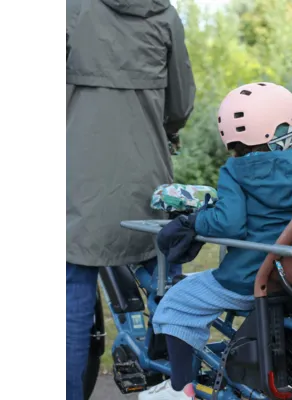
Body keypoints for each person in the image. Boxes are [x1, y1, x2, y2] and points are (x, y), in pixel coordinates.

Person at [139, 82, 292, 400]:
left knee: (176, 303)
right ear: (287, 129)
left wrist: (193, 222)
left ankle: (181, 389)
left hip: (244, 280)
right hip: (290, 282)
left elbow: (228, 223)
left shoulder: (235, 170)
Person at [64, 0, 196, 399]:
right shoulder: (165, 16)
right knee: (164, 280)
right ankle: (177, 383)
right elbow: (180, 104)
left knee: (75, 290)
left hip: (79, 178)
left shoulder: (73, 10)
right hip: (147, 178)